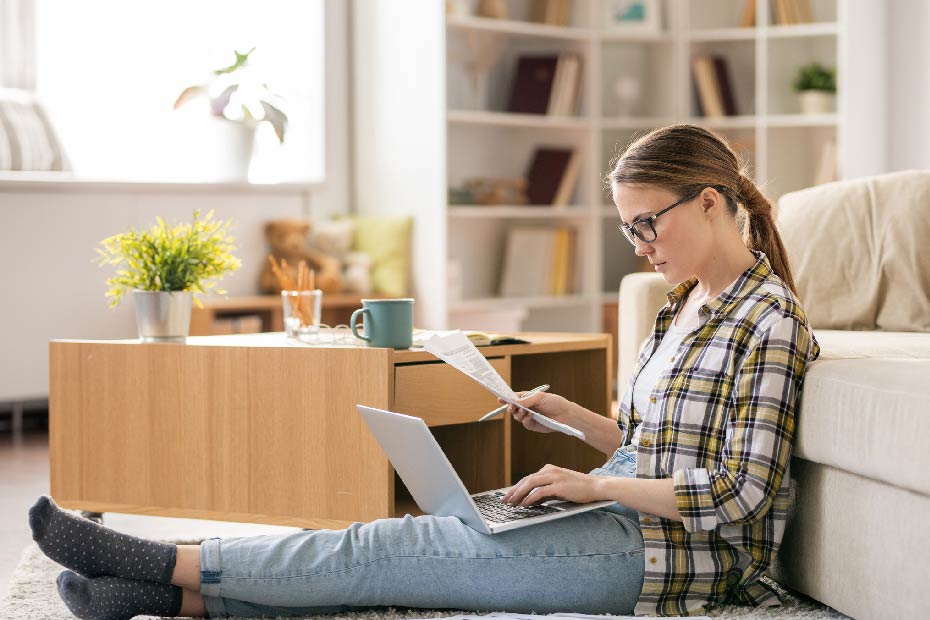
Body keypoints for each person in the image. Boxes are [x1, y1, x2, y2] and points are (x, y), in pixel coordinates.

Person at [28, 124, 819, 619]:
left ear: (712, 202)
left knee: (395, 554)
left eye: (648, 223)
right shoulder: (675, 306)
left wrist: (593, 484)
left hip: (672, 560)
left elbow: (738, 493)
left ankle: (166, 565)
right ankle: (175, 600)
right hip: (621, 520)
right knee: (409, 542)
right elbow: (650, 444)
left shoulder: (770, 320)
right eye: (626, 228)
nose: (639, 244)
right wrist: (573, 421)